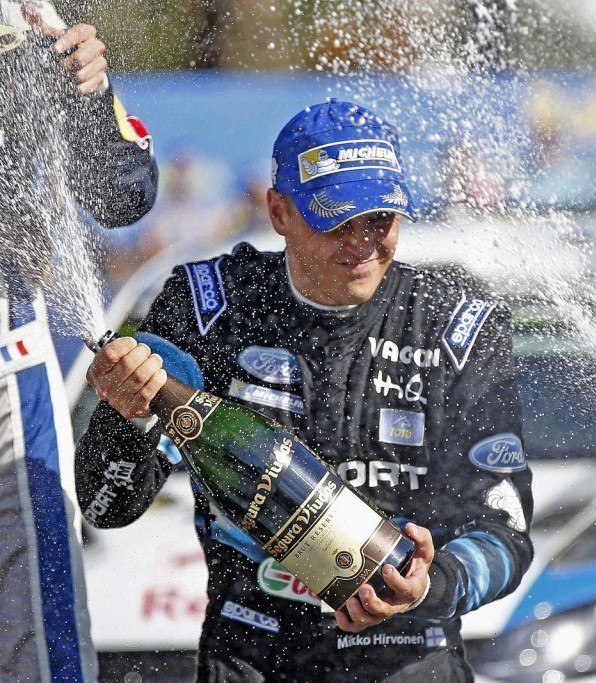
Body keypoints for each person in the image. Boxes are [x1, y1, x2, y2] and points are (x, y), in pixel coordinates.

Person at [76, 99, 533, 682]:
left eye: (380, 218)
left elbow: (506, 535)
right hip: (253, 656)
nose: (361, 242)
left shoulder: (456, 328)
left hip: (410, 660)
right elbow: (106, 507)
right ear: (279, 211)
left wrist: (431, 583)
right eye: (336, 220)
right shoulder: (208, 305)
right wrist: (127, 416)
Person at [0, 3, 157, 682]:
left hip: (9, 344)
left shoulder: (28, 14)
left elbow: (125, 196)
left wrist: (87, 96)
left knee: (43, 628)